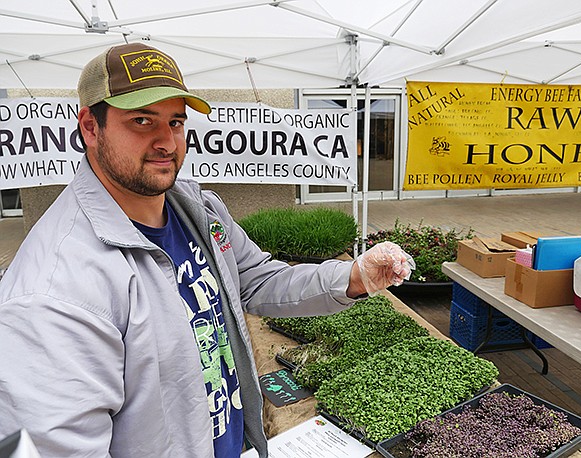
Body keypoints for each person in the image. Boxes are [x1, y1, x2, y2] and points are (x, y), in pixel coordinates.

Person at [0, 43, 413, 458]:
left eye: (176, 121)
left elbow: (258, 280)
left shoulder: (197, 210)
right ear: (91, 127)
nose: (166, 141)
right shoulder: (53, 290)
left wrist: (355, 276)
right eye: (142, 120)